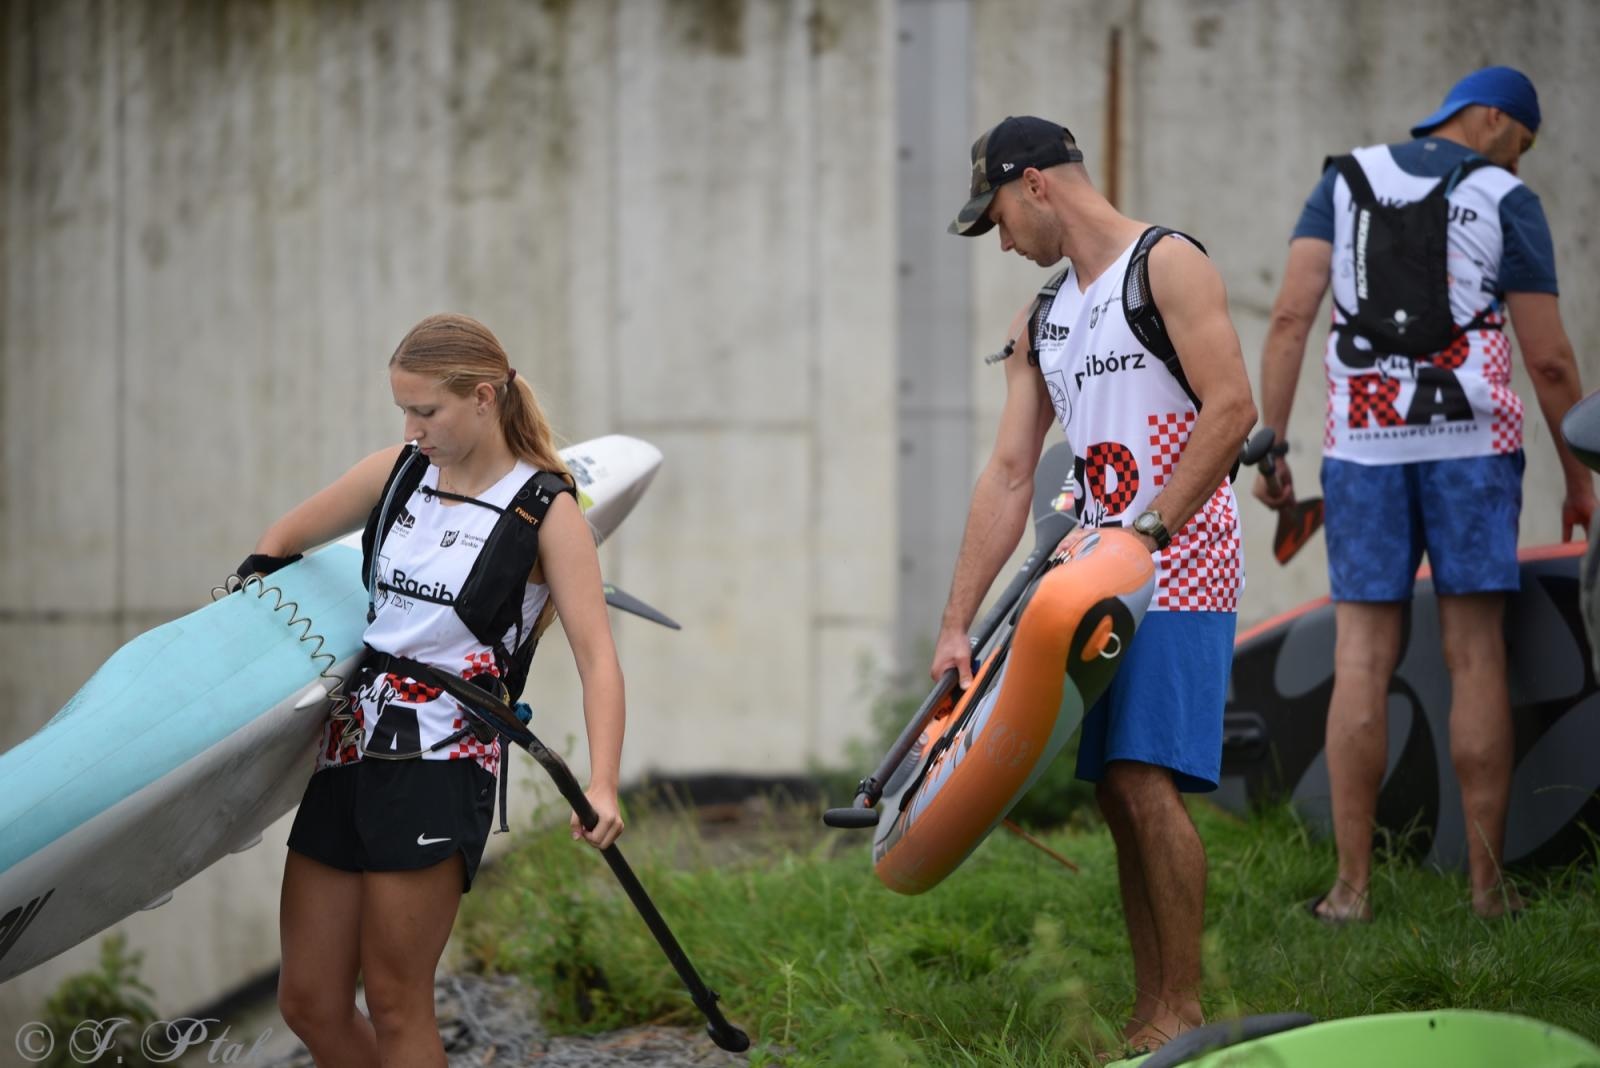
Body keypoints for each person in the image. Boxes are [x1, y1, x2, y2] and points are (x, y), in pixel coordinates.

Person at [937, 116, 1257, 1054]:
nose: (1001, 240)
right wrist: (956, 624)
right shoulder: (1042, 316)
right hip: (1096, 578)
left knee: (1142, 779)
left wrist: (1149, 531)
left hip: (1182, 563)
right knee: (1117, 793)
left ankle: (1183, 1012)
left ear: (1035, 183)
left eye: (997, 215)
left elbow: (1233, 408)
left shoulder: (1168, 265)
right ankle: (1152, 1011)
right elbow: (1009, 475)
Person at [1254, 66, 1594, 923]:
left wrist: (1272, 445)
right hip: (1472, 451)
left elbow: (1290, 318)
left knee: (1361, 659)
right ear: (1492, 119)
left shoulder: (1343, 182)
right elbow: (1550, 360)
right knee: (1476, 655)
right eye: (1521, 143)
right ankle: (1488, 891)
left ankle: (1350, 892)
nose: (1519, 163)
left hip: (1363, 448)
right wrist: (1581, 476)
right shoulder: (1505, 199)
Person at [244, 313, 626, 1067]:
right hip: (348, 747)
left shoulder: (545, 509)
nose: (411, 429)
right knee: (310, 1001)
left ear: (483, 398)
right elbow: (280, 541)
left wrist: (604, 783)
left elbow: (598, 660)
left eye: (426, 411)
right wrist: (246, 611)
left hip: (443, 764)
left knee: (396, 1001)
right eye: (403, 411)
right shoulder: (399, 471)